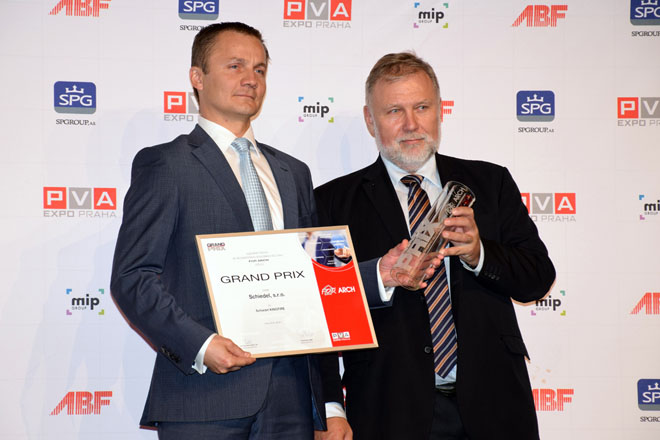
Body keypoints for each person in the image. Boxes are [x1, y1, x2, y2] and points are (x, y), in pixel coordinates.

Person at [315, 52, 556, 440]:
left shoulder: (490, 183)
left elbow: (538, 278)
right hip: (387, 407)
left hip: (495, 403)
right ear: (370, 120)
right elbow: (321, 310)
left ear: (440, 110)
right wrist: (330, 408)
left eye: (422, 107)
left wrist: (479, 253)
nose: (411, 124)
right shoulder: (331, 202)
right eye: (394, 111)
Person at [111, 22, 326, 439]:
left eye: (260, 69)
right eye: (235, 66)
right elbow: (132, 277)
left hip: (291, 396)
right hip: (202, 395)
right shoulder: (166, 164)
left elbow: (316, 277)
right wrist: (202, 345)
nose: (251, 79)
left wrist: (381, 275)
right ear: (197, 76)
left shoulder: (294, 173)